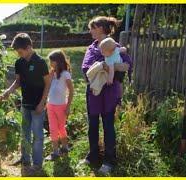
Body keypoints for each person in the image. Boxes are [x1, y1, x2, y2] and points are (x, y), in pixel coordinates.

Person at [0, 33, 51, 172]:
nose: (19, 54)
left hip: (38, 105)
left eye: (20, 52)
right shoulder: (19, 62)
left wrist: (42, 103)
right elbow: (18, 81)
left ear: (28, 47)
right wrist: (7, 92)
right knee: (25, 133)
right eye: (17, 52)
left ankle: (37, 164)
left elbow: (48, 83)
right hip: (25, 104)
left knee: (37, 135)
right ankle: (25, 159)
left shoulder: (40, 62)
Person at [81, 16, 133, 175]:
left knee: (109, 126)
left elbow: (128, 65)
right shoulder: (92, 48)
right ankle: (93, 156)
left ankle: (109, 160)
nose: (90, 31)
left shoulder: (115, 47)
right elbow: (85, 69)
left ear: (102, 29)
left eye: (93, 28)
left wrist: (113, 66)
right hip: (94, 92)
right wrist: (104, 66)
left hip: (109, 92)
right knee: (93, 125)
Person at [45, 50, 74, 161]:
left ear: (58, 61)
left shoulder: (65, 74)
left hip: (61, 106)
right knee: (52, 129)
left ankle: (65, 147)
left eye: (52, 61)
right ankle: (55, 152)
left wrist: (68, 107)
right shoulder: (52, 73)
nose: (50, 63)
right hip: (50, 105)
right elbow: (47, 87)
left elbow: (71, 91)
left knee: (61, 128)